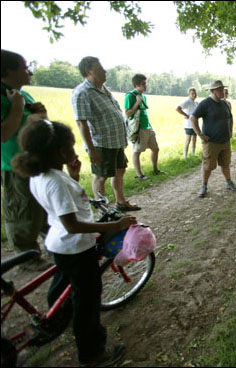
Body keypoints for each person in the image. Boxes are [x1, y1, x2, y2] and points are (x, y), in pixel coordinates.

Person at [11, 119, 136, 366]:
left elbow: (65, 209)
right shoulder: (56, 183)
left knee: (63, 283)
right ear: (59, 152)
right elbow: (73, 225)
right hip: (76, 247)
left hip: (59, 244)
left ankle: (56, 318)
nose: (75, 150)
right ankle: (93, 355)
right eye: (71, 146)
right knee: (87, 303)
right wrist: (115, 225)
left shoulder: (44, 175)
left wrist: (74, 177)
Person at [1, 49, 50, 269]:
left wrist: (42, 115)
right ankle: (27, 257)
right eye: (24, 67)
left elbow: (38, 123)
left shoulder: (21, 93)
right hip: (15, 165)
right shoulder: (9, 97)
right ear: (8, 70)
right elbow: (4, 134)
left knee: (43, 205)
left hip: (38, 161)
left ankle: (53, 243)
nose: (29, 72)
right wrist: (18, 107)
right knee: (21, 211)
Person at [72, 56, 140, 211]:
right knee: (101, 176)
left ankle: (121, 202)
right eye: (100, 68)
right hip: (100, 143)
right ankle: (103, 209)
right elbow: (81, 122)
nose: (105, 71)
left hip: (115, 141)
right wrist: (92, 150)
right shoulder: (82, 92)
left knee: (119, 171)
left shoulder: (104, 89)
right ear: (89, 71)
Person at [190, 80, 236, 198]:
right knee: (208, 165)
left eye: (223, 89)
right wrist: (200, 134)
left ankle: (229, 182)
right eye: (220, 90)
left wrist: (230, 131)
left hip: (225, 141)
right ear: (213, 91)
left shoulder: (225, 104)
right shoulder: (205, 103)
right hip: (211, 142)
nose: (223, 91)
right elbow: (193, 117)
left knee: (225, 163)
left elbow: (230, 118)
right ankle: (204, 186)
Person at [124, 74, 164, 181]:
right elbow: (127, 113)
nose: (145, 86)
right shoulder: (130, 96)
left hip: (147, 127)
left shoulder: (143, 96)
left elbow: (144, 111)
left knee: (155, 149)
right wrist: (137, 103)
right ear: (136, 85)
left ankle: (155, 169)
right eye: (143, 84)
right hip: (138, 128)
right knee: (137, 151)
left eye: (145, 83)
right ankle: (140, 175)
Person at [176, 87, 199, 159]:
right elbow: (177, 108)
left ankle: (193, 154)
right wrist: (186, 115)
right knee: (188, 139)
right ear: (189, 94)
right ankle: (185, 156)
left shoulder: (196, 103)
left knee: (194, 139)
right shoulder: (187, 101)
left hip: (195, 124)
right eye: (192, 93)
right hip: (188, 124)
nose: (194, 94)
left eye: (195, 93)